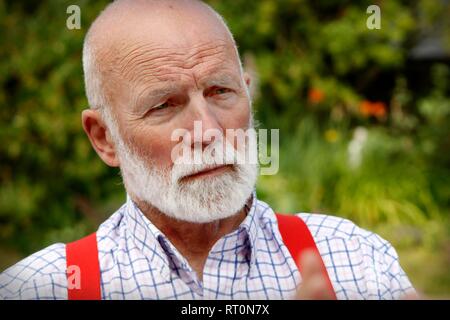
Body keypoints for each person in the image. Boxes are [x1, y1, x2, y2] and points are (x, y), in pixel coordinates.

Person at [0, 0, 417, 300]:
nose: (208, 131)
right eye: (164, 105)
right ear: (104, 138)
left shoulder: (356, 262)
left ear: (248, 98)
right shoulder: (42, 287)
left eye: (221, 91)